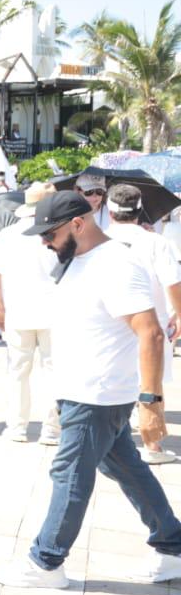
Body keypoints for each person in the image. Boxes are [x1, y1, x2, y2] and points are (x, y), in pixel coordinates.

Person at [0, 190, 181, 588]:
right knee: (126, 469)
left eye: (50, 234)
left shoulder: (115, 264)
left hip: (97, 392)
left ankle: (46, 563)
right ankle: (173, 547)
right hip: (83, 388)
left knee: (70, 473)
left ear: (78, 224)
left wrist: (151, 402)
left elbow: (150, 333)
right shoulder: (76, 259)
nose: (44, 241)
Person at [105, 184, 181, 464]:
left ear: (109, 210)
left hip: (111, 323)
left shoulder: (99, 239)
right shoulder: (156, 242)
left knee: (114, 380)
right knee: (152, 382)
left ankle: (112, 441)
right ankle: (152, 446)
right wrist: (180, 315)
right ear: (140, 209)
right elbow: (173, 282)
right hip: (152, 323)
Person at [0, 182, 61, 445]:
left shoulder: (8, 235)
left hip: (18, 310)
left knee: (18, 371)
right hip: (55, 312)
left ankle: (17, 426)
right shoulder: (60, 231)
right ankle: (51, 429)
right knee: (53, 370)